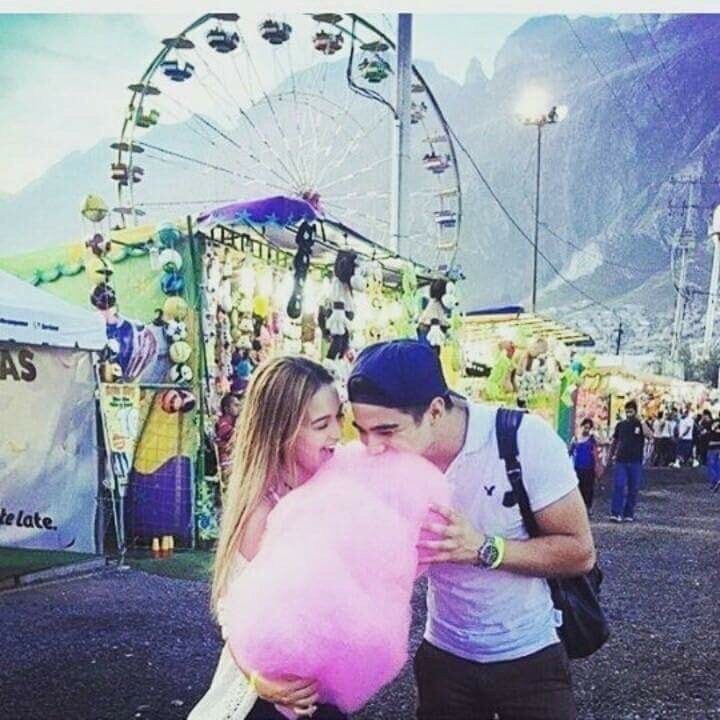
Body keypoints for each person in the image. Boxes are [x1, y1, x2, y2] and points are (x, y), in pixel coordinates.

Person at [347, 340, 595, 720]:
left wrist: (483, 548)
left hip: (528, 657)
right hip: (444, 658)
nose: (372, 447)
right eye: (361, 432)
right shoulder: (388, 465)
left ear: (434, 410)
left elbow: (579, 553)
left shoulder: (523, 440)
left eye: (386, 430)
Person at [191, 356, 346, 720]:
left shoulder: (327, 488)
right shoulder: (263, 514)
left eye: (339, 418)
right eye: (321, 424)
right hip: (271, 701)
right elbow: (234, 613)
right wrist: (257, 679)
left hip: (320, 688)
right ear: (281, 432)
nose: (337, 434)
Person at [608, 400, 652, 522]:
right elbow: (615, 441)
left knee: (633, 487)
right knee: (619, 485)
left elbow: (649, 435)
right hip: (621, 460)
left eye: (631, 412)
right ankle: (616, 512)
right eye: (627, 412)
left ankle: (629, 513)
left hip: (635, 461)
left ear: (635, 412)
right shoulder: (621, 425)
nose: (628, 414)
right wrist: (610, 456)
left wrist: (641, 421)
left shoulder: (640, 424)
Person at [569, 418, 598, 510]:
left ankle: (587, 508)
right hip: (578, 468)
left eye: (588, 428)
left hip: (589, 469)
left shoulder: (592, 439)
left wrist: (599, 430)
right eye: (585, 427)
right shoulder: (575, 439)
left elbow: (602, 442)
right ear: (581, 427)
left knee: (588, 490)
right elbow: (569, 452)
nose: (586, 430)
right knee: (579, 489)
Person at [215, 392, 243, 491]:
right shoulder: (223, 423)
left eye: (239, 405)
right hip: (227, 464)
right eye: (235, 405)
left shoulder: (232, 423)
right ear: (226, 409)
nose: (239, 408)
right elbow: (235, 436)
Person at [706, 412, 720, 491]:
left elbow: (709, 431)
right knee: (717, 464)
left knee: (711, 465)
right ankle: (718, 479)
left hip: (712, 446)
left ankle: (714, 481)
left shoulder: (714, 422)